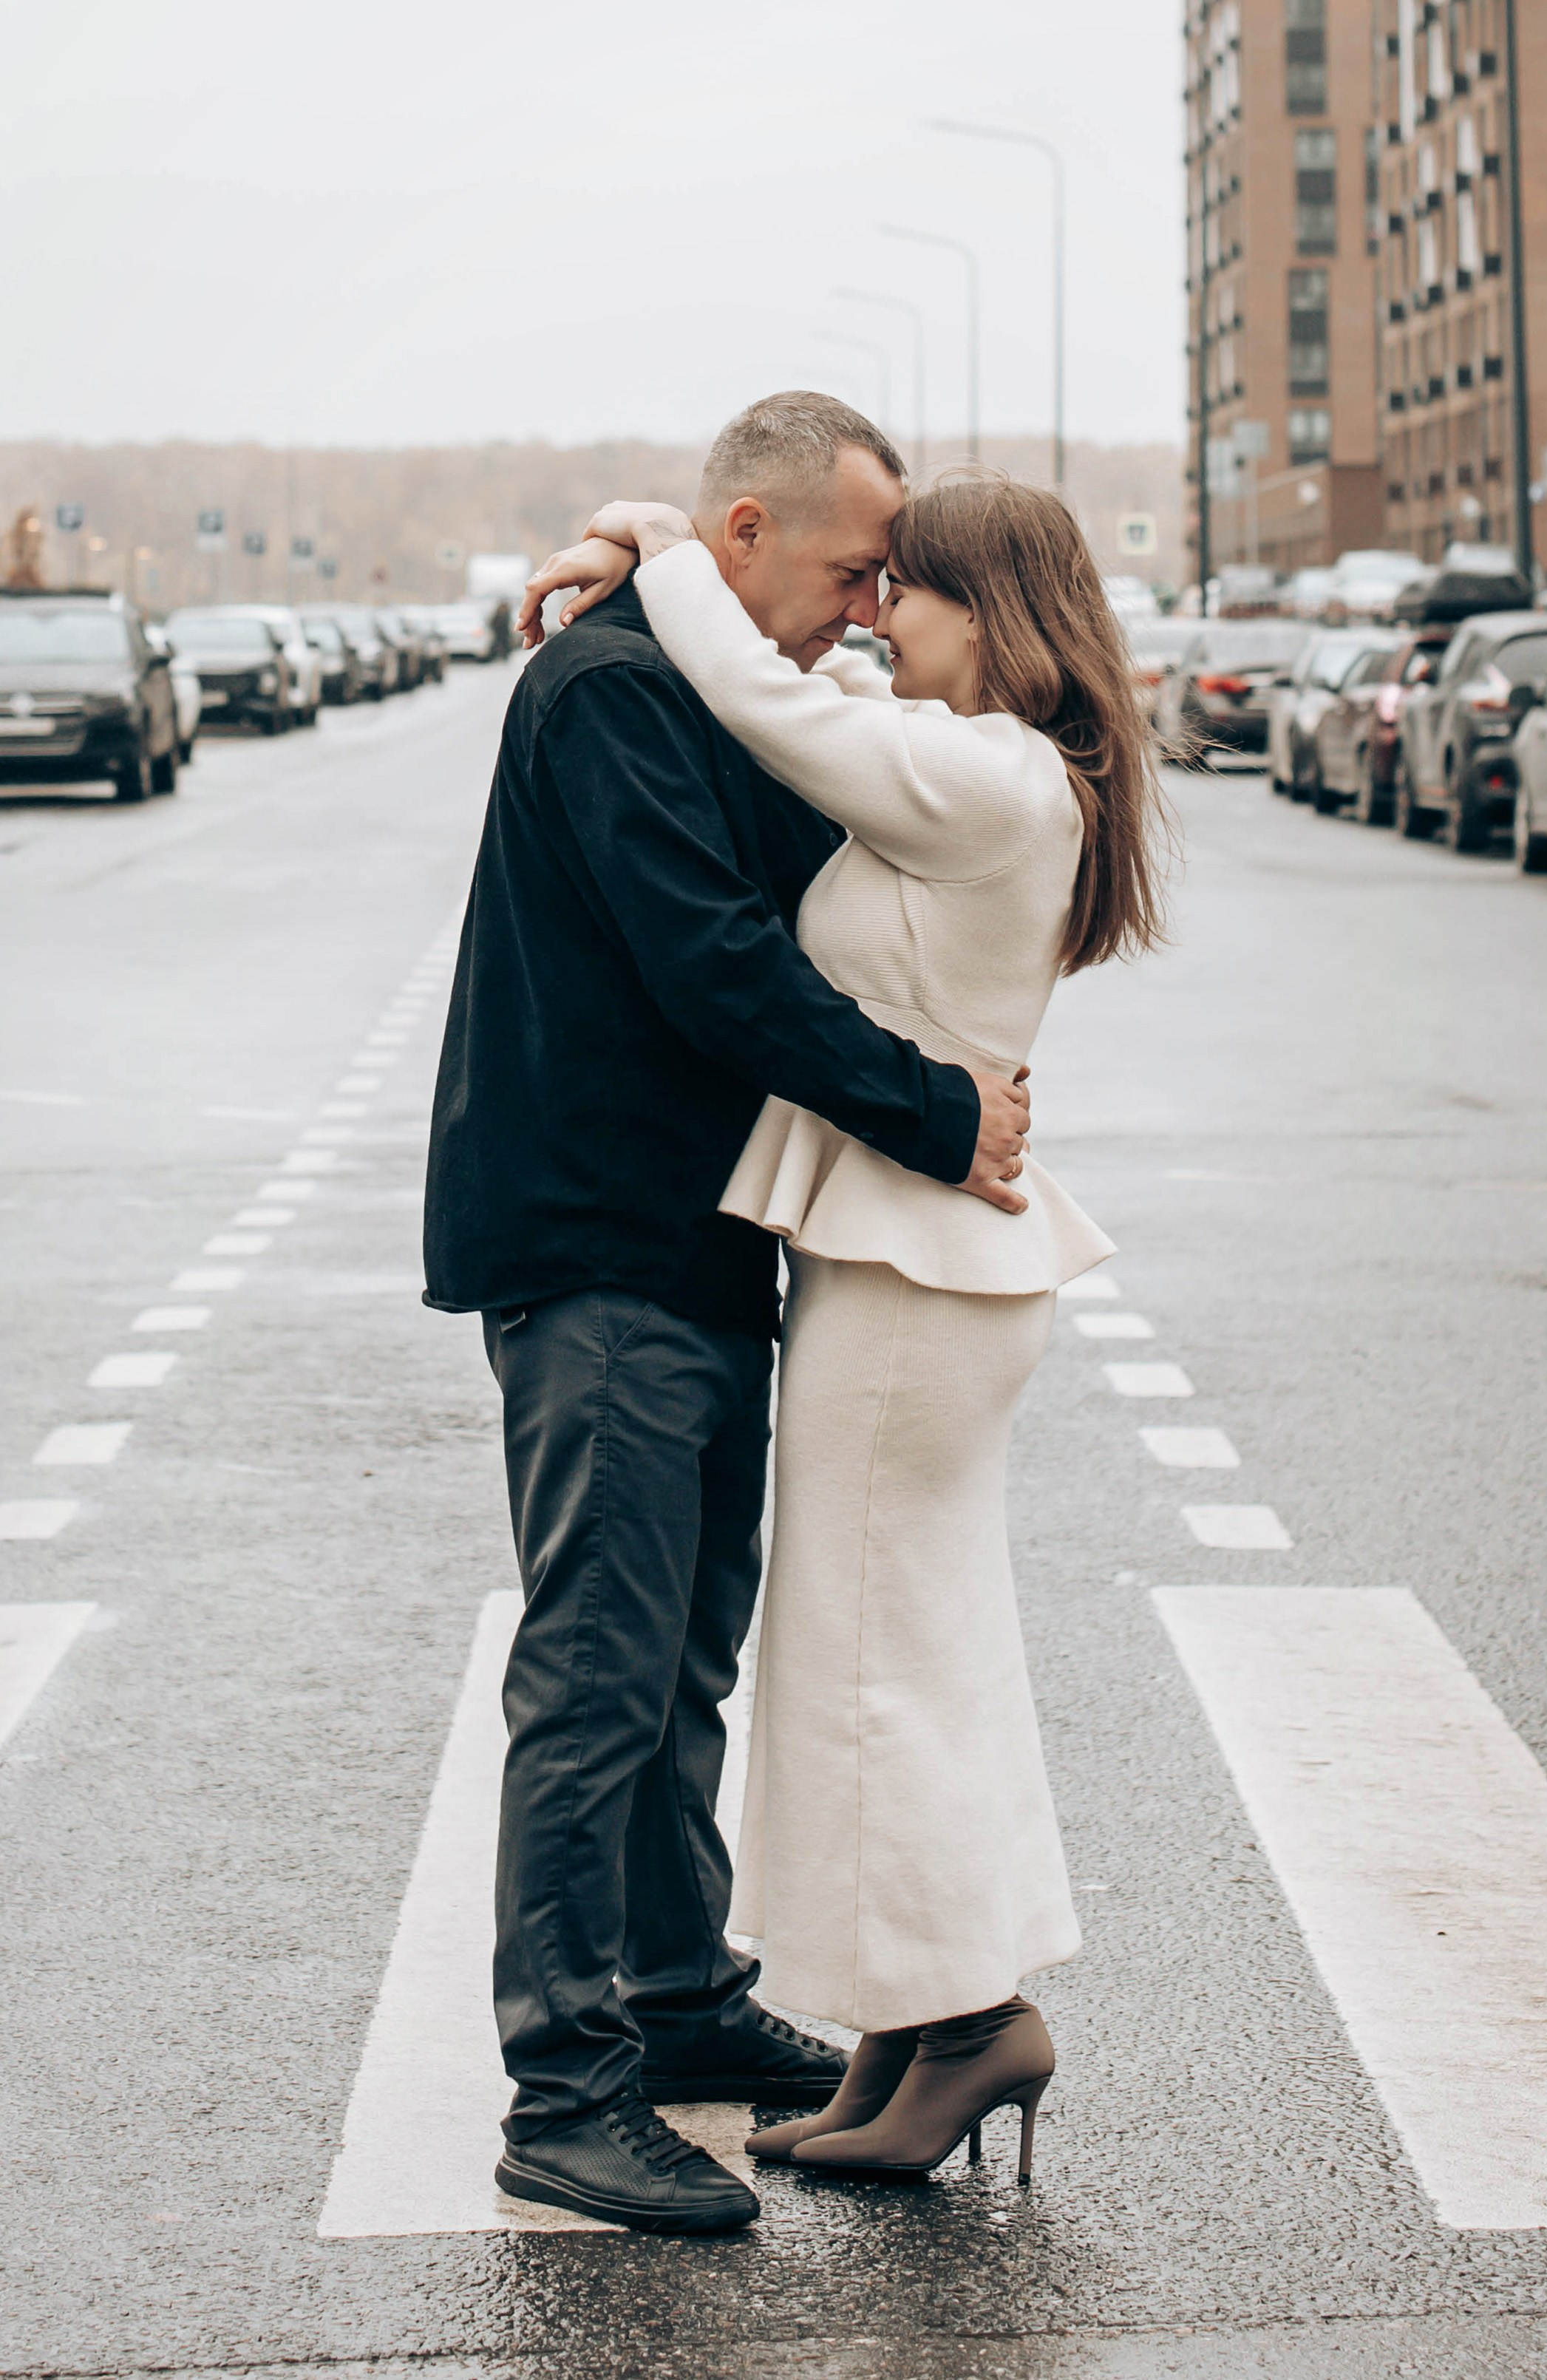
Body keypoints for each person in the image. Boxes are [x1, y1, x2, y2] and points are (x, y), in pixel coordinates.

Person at [516, 464, 1172, 2193]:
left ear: (991, 612)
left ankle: (965, 2020)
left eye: (910, 592)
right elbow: (801, 694)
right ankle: (921, 2018)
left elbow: (754, 694)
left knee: (888, 1659)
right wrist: (650, 542)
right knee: (897, 1648)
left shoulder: (982, 773)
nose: (881, 618)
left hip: (923, 1269)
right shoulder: (987, 764)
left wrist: (657, 546)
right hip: (910, 1257)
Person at [422, 393, 1035, 2237]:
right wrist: (944, 1115)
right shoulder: (610, 693)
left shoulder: (695, 680)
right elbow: (716, 963)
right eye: (849, 569)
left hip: (692, 1247)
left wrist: (636, 536)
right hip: (598, 1241)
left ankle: (680, 1998)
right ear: (745, 537)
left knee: (682, 1652)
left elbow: (821, 876)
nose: (862, 611)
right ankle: (566, 2085)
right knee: (598, 1672)